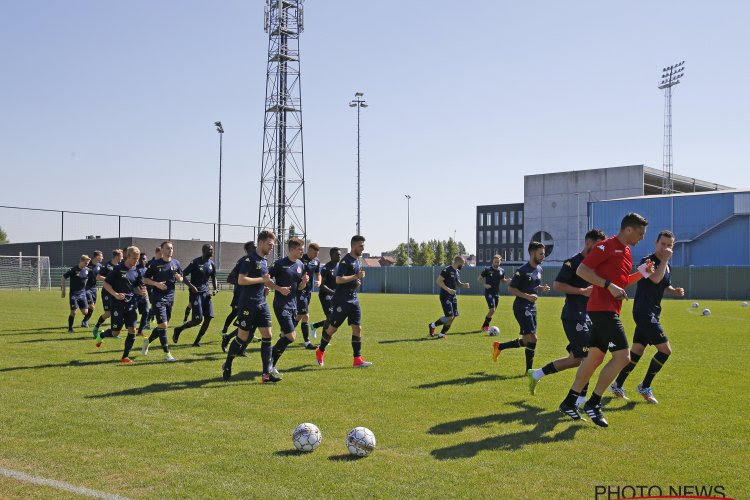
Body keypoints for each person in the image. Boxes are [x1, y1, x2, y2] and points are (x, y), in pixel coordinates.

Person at [559, 213, 653, 427]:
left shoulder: (627, 251)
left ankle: (569, 401)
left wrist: (642, 273)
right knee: (623, 357)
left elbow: (621, 283)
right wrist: (608, 285)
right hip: (602, 310)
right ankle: (593, 402)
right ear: (628, 229)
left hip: (609, 309)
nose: (641, 238)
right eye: (640, 233)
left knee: (594, 358)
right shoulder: (605, 246)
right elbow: (582, 270)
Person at [526, 229, 606, 401]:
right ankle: (580, 400)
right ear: (588, 243)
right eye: (598, 245)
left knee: (576, 359)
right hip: (574, 315)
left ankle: (537, 374)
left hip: (588, 316)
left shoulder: (596, 266)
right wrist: (582, 291)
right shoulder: (573, 262)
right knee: (587, 358)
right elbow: (557, 285)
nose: (600, 249)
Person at [610, 230, 684, 404]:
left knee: (637, 351)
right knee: (665, 350)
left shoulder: (666, 265)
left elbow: (664, 283)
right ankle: (645, 386)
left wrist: (674, 291)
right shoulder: (648, 261)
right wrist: (665, 259)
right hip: (644, 312)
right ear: (656, 243)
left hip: (653, 312)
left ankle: (617, 384)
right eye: (662, 244)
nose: (665, 248)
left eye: (669, 245)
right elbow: (656, 279)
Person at [222, 230, 286, 383]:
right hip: (247, 304)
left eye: (273, 245)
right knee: (242, 337)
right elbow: (242, 280)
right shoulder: (248, 260)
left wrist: (278, 289)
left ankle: (266, 374)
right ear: (261, 242)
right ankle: (228, 364)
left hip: (261, 303)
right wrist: (261, 281)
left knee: (268, 335)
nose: (272, 248)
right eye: (270, 245)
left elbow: (265, 280)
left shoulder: (264, 261)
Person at [315, 235, 372, 367]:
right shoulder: (345, 261)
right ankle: (320, 350)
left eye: (363, 246)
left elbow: (352, 280)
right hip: (342, 300)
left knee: (357, 328)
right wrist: (355, 276)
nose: (363, 248)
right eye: (361, 246)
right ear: (354, 246)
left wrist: (356, 282)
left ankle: (357, 359)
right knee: (333, 329)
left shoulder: (358, 261)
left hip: (353, 298)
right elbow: (338, 279)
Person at [492, 242, 551, 371]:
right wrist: (527, 296)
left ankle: (499, 346)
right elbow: (511, 289)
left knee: (526, 341)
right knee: (533, 339)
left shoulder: (539, 269)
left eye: (544, 254)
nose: (543, 256)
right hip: (522, 307)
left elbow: (533, 286)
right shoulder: (522, 270)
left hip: (532, 307)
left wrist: (542, 288)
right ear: (532, 253)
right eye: (540, 253)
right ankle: (528, 371)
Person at [98, 246, 148, 363]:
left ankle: (125, 357)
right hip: (117, 305)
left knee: (132, 330)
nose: (136, 261)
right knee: (116, 333)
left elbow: (138, 286)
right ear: (127, 256)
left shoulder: (136, 271)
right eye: (134, 258)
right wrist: (115, 294)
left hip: (131, 304)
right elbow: (105, 284)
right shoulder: (117, 269)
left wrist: (141, 291)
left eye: (138, 259)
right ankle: (102, 335)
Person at [268, 237, 309, 377]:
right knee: (291, 337)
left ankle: (271, 364)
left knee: (285, 336)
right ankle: (269, 360)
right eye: (300, 249)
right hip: (281, 304)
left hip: (293, 305)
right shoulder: (280, 264)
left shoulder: (300, 265)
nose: (302, 251)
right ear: (291, 249)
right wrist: (278, 288)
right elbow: (266, 280)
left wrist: (304, 282)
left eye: (303, 249)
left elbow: (299, 287)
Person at [140, 241, 182, 362]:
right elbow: (145, 279)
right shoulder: (155, 264)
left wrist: (180, 278)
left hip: (170, 298)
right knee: (163, 325)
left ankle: (147, 341)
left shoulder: (176, 263)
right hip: (158, 298)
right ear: (162, 250)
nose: (170, 250)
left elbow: (181, 277)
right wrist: (156, 284)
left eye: (172, 248)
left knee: (162, 325)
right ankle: (167, 354)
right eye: (168, 248)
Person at [173, 244, 218, 347]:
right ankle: (179, 329)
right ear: (203, 251)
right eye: (209, 250)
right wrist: (191, 286)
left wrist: (215, 288)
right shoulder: (195, 262)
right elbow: (183, 275)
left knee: (209, 318)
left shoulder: (212, 264)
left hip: (206, 294)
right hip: (195, 294)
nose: (211, 251)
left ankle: (196, 341)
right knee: (197, 320)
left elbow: (214, 277)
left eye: (212, 250)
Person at [221, 241, 257, 353]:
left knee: (252, 325)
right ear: (248, 250)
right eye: (254, 247)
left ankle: (238, 347)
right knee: (247, 325)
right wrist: (243, 283)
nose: (256, 248)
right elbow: (230, 278)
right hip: (242, 297)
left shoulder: (258, 261)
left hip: (254, 297)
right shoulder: (243, 261)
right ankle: (229, 338)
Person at [428, 256, 471, 338]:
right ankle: (437, 330)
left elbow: (457, 283)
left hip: (453, 296)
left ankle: (437, 330)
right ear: (458, 263)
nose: (463, 266)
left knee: (453, 316)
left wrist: (463, 285)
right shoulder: (447, 270)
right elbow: (438, 281)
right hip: (445, 296)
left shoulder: (457, 272)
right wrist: (448, 289)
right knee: (450, 317)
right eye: (463, 264)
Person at [296, 242, 321, 350]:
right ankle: (307, 342)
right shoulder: (300, 259)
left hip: (308, 291)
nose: (316, 255)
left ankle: (285, 332)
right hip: (299, 291)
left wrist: (319, 281)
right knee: (305, 316)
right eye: (314, 252)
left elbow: (318, 273)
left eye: (317, 253)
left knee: (299, 316)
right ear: (309, 250)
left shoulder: (317, 261)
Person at [92, 250, 123, 338]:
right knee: (108, 313)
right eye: (121, 256)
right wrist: (110, 278)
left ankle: (114, 332)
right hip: (106, 293)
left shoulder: (121, 266)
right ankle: (96, 327)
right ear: (117, 256)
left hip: (116, 293)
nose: (122, 258)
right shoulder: (107, 265)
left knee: (116, 312)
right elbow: (98, 277)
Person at [311, 247, 340, 333]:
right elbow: (322, 285)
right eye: (337, 254)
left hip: (335, 295)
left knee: (335, 318)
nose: (339, 256)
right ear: (331, 255)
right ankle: (324, 339)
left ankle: (315, 326)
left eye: (340, 254)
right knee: (330, 317)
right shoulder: (326, 268)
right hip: (325, 295)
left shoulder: (340, 267)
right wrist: (333, 292)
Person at [478, 254, 511, 332]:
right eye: (495, 262)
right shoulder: (487, 269)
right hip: (489, 292)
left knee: (493, 310)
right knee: (492, 309)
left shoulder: (502, 271)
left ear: (500, 262)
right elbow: (479, 278)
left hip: (496, 293)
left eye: (498, 262)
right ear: (492, 261)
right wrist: (484, 284)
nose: (496, 263)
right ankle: (485, 326)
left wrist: (507, 280)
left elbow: (502, 280)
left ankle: (485, 326)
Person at [61, 255, 91, 332]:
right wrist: (63, 290)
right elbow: (63, 277)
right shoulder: (73, 269)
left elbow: (86, 280)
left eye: (88, 263)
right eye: (85, 263)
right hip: (74, 294)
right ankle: (70, 328)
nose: (87, 264)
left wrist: (85, 289)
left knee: (85, 312)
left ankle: (84, 322)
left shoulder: (87, 270)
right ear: (81, 261)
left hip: (82, 293)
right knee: (73, 312)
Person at [81, 250, 103, 328]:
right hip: (86, 288)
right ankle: (85, 320)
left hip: (94, 288)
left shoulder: (100, 266)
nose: (102, 258)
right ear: (97, 257)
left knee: (92, 307)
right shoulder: (87, 264)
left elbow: (101, 275)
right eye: (101, 256)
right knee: (92, 305)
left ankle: (85, 320)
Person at [135, 253, 151, 336]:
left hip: (143, 296)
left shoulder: (147, 270)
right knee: (132, 314)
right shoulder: (135, 269)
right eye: (141, 258)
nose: (142, 260)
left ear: (146, 260)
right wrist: (136, 290)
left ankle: (140, 331)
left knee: (146, 312)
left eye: (144, 258)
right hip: (134, 296)